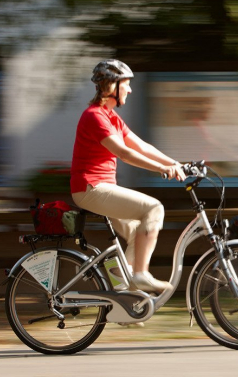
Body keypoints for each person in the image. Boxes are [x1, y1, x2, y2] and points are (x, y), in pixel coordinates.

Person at [70, 59, 186, 293]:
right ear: (112, 86)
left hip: (101, 188)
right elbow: (124, 153)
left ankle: (122, 291)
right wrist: (162, 169)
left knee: (137, 234)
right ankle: (140, 275)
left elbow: (141, 146)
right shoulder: (94, 116)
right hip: (91, 188)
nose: (130, 89)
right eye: (127, 84)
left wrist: (174, 163)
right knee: (154, 209)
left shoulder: (111, 117)